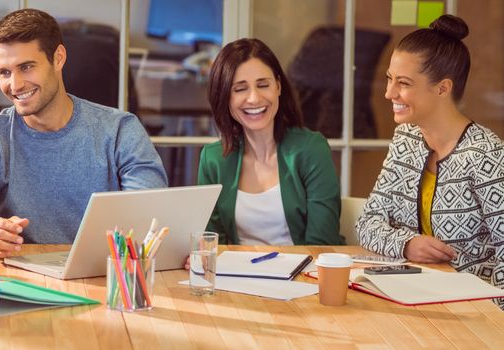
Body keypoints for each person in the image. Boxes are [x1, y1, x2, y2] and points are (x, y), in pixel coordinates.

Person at [0, 9, 167, 258]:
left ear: (58, 58)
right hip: (19, 276)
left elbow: (147, 215)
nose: (15, 85)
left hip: (102, 273)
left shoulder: (120, 130)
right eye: (5, 72)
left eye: (27, 67)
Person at [356, 15, 504, 308]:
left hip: (472, 314)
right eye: (389, 78)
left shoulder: (487, 156)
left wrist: (490, 317)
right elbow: (367, 223)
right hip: (406, 299)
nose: (389, 93)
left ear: (442, 88)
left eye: (404, 83)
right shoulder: (405, 139)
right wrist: (407, 244)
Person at [198, 38, 344, 246]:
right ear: (224, 97)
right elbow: (213, 245)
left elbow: (322, 244)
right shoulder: (213, 159)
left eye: (263, 85)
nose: (254, 98)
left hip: (304, 274)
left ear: (278, 86)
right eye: (240, 89)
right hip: (239, 275)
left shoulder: (311, 149)